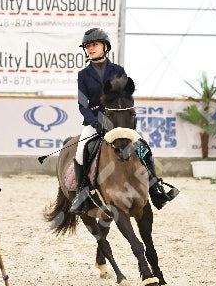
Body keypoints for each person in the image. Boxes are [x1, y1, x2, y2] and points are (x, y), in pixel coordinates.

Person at [69, 27, 178, 214]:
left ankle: (155, 190)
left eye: (94, 45)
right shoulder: (83, 75)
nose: (90, 49)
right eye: (87, 46)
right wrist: (93, 120)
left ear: (105, 47)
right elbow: (82, 105)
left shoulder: (118, 70)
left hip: (118, 122)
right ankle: (82, 193)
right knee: (81, 151)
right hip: (95, 122)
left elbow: (126, 97)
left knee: (143, 147)